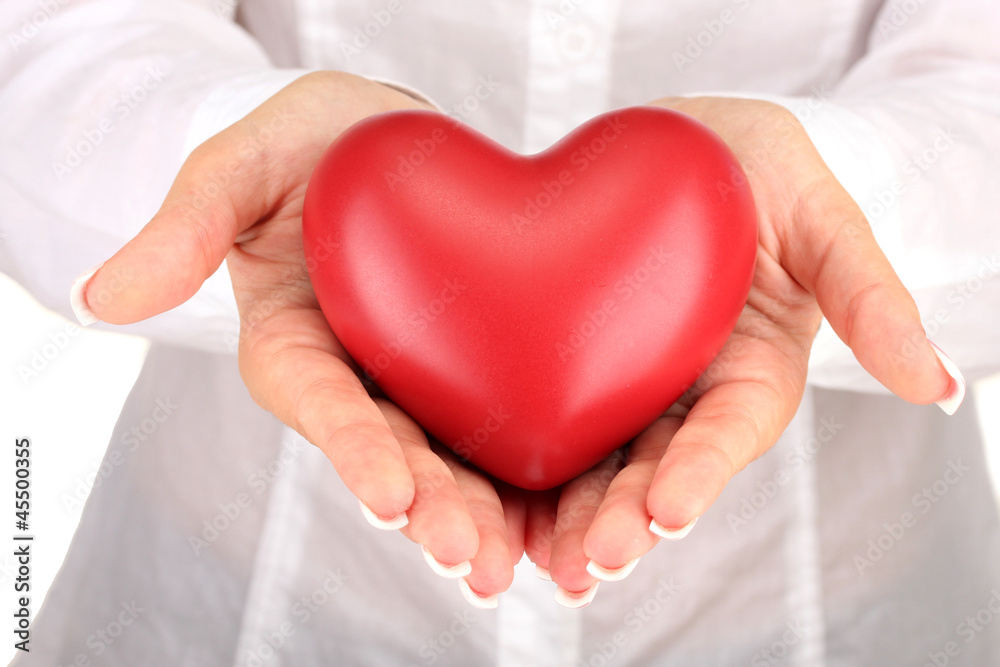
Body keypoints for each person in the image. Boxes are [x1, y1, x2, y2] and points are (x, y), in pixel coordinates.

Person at [3, 0, 999, 664]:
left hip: (838, 617)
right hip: (222, 608)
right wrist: (242, 179)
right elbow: (50, 37)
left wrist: (807, 227)